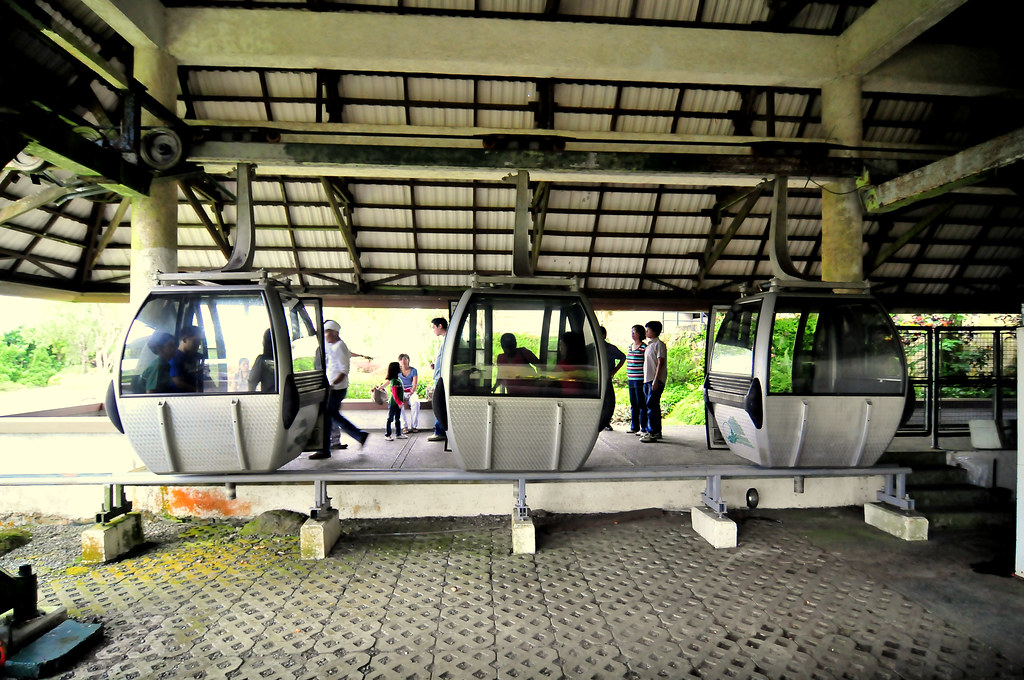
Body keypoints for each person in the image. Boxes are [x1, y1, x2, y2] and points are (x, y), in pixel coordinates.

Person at [310, 319, 368, 460]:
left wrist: (332, 385)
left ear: (335, 332)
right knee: (331, 416)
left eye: (328, 332)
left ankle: (326, 449)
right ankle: (357, 436)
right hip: (333, 387)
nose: (326, 335)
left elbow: (344, 370)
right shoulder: (332, 345)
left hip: (336, 388)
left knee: (328, 416)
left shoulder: (340, 346)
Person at [641, 320, 668, 443]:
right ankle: (653, 431)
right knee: (651, 406)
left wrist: (656, 380)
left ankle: (653, 432)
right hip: (648, 380)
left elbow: (660, 363)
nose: (646, 332)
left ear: (655, 331)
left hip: (655, 380)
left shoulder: (659, 345)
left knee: (652, 405)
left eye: (648, 330)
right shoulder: (649, 345)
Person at [599, 326, 626, 430]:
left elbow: (623, 357)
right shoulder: (592, 347)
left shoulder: (610, 348)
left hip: (606, 378)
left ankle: (606, 422)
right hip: (595, 378)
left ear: (604, 335)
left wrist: (614, 371)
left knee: (608, 401)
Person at [427, 317, 448, 442]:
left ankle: (439, 431)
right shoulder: (445, 340)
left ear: (440, 326)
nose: (433, 330)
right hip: (440, 376)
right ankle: (439, 430)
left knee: (438, 404)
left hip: (441, 379)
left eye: (434, 327)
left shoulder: (448, 340)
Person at [625, 324, 648, 435]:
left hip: (640, 379)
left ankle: (643, 427)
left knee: (641, 404)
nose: (632, 334)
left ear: (639, 333)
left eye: (634, 332)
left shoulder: (644, 347)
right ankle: (634, 426)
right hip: (631, 379)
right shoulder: (630, 346)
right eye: (632, 332)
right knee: (633, 403)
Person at [169, 326, 205, 393]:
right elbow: (178, 382)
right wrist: (199, 391)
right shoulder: (174, 358)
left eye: (200, 341)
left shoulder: (198, 357)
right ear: (185, 339)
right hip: (181, 398)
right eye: (196, 341)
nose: (199, 344)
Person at [382, 361, 407, 441]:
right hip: (393, 403)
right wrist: (399, 402)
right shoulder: (394, 381)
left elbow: (400, 390)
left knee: (397, 419)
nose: (400, 367)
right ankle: (387, 434)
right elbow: (394, 394)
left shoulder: (397, 379)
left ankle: (398, 434)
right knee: (390, 419)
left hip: (397, 403)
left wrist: (406, 390)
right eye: (399, 366)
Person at [398, 353, 419, 433]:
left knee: (415, 403)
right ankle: (404, 426)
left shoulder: (413, 370)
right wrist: (380, 388)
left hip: (411, 391)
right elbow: (390, 381)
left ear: (408, 360)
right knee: (399, 405)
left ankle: (414, 426)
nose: (403, 361)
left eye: (405, 359)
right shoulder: (397, 371)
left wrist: (410, 394)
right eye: (401, 359)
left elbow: (414, 385)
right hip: (400, 392)